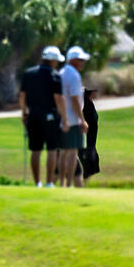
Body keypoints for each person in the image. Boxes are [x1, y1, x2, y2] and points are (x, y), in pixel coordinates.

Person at [19, 45, 64, 186]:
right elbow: (58, 99)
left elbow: (22, 96)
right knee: (51, 149)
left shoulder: (29, 73)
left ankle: (37, 182)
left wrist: (24, 113)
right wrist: (64, 117)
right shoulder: (55, 76)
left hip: (32, 115)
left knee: (35, 150)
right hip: (50, 115)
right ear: (53, 61)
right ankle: (49, 182)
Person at [51, 45, 88, 187]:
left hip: (62, 118)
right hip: (72, 119)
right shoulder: (73, 75)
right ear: (72, 60)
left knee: (63, 153)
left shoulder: (62, 72)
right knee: (72, 152)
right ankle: (69, 183)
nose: (82, 62)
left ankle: (62, 183)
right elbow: (74, 99)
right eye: (80, 59)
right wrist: (82, 120)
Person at [68, 46, 101, 181]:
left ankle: (88, 176)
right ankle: (86, 176)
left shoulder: (82, 75)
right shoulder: (71, 74)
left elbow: (93, 93)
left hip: (87, 112)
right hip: (81, 112)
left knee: (87, 146)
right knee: (81, 147)